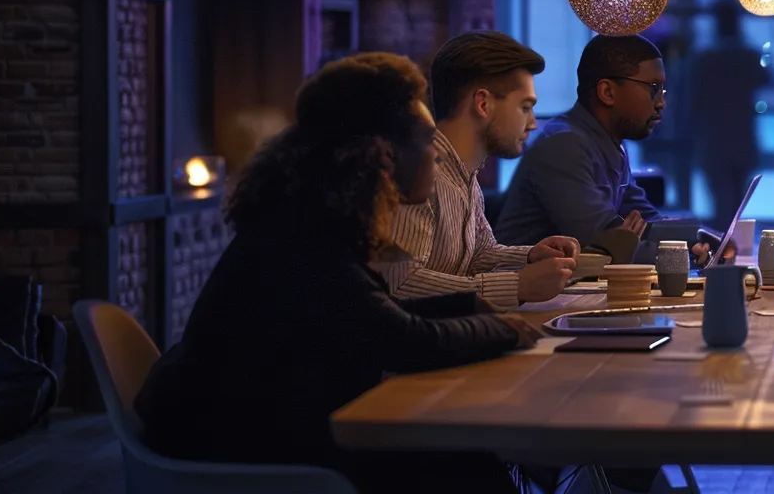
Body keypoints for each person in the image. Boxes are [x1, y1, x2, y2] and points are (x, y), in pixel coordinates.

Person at [135, 53, 540, 494]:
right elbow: (404, 341)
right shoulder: (305, 238)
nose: (438, 158)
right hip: (243, 450)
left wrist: (467, 303)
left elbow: (375, 312)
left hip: (258, 426)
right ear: (382, 154)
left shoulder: (314, 218)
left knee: (470, 460)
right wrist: (504, 329)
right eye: (427, 141)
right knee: (469, 469)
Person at [378, 30, 578, 311]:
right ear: (483, 104)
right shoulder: (419, 176)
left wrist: (531, 256)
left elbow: (477, 254)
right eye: (525, 107)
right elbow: (400, 284)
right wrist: (517, 285)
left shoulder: (464, 175)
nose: (532, 124)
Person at [496, 34, 669, 263]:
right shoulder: (563, 146)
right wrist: (682, 255)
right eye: (653, 89)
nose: (661, 103)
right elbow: (608, 246)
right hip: (524, 295)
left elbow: (646, 222)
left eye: (662, 91)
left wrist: (701, 243)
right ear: (607, 92)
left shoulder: (609, 144)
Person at [688, 0, 770, 227]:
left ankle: (720, 251)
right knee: (735, 205)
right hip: (743, 138)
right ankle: (728, 248)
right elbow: (766, 78)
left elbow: (692, 100)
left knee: (721, 204)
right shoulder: (749, 56)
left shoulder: (705, 59)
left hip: (713, 140)